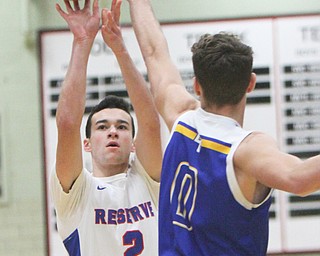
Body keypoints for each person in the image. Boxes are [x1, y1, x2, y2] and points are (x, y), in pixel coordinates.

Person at [127, 0, 320, 255]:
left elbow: (153, 52)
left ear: (197, 85)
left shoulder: (181, 118)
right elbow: (300, 179)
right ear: (251, 83)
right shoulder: (247, 150)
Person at [50, 0, 162, 255]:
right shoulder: (77, 192)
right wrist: (82, 42)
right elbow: (67, 125)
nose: (113, 131)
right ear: (86, 143)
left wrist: (120, 49)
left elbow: (150, 122)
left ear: (133, 143)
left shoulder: (148, 181)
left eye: (122, 126)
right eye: (102, 127)